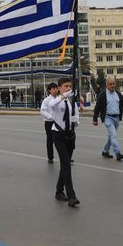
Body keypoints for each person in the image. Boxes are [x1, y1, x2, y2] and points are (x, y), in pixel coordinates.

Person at [47, 77, 80, 207]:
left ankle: (59, 191)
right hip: (58, 134)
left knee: (65, 165)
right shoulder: (56, 101)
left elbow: (76, 118)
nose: (68, 89)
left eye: (70, 86)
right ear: (59, 88)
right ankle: (72, 196)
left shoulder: (72, 103)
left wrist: (75, 120)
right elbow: (51, 105)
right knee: (66, 164)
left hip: (70, 135)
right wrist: (63, 97)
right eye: (66, 86)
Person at [92, 77, 123, 161]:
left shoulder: (118, 94)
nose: (112, 85)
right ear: (107, 85)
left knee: (111, 136)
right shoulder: (102, 94)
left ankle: (105, 151)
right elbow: (97, 107)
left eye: (113, 84)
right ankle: (118, 153)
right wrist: (95, 119)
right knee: (113, 135)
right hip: (107, 118)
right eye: (110, 84)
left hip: (116, 118)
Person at [40, 83, 59, 164]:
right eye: (53, 88)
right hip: (49, 123)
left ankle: (65, 157)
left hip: (58, 122)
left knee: (60, 140)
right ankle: (50, 157)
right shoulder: (46, 100)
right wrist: (51, 117)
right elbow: (42, 111)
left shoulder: (59, 98)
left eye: (56, 88)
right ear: (49, 90)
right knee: (50, 141)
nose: (55, 90)